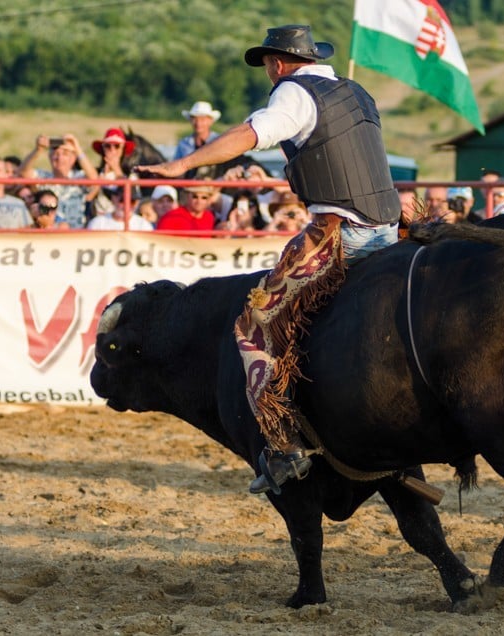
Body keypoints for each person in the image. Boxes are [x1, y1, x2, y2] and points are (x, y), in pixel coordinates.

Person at [139, 24, 401, 494]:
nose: (268, 72)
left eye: (267, 65)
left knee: (257, 322)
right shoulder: (356, 92)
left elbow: (249, 133)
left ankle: (283, 445)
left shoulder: (294, 95)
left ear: (277, 63)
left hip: (342, 232)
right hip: (391, 228)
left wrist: (181, 165)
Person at [19, 133, 98, 228]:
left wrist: (77, 149)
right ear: (50, 157)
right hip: (49, 233)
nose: (59, 158)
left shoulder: (79, 176)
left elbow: (93, 178)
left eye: (65, 154)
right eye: (56, 154)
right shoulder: (43, 176)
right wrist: (38, 150)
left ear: (73, 159)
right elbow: (24, 172)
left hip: (75, 233)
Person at [91, 127, 138, 217]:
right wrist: (100, 180)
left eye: (117, 146)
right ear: (103, 149)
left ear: (122, 150)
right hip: (99, 220)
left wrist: (116, 170)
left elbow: (133, 199)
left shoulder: (131, 175)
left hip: (122, 219)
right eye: (108, 146)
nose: (112, 150)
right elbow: (88, 198)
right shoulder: (95, 173)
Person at [87, 186, 154, 230]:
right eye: (122, 200)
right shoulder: (98, 223)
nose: (127, 205)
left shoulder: (144, 225)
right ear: (113, 199)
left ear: (136, 203)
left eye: (132, 201)